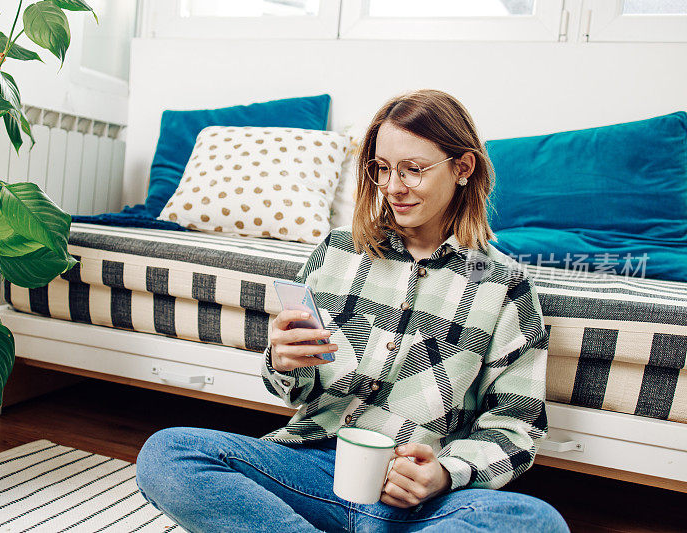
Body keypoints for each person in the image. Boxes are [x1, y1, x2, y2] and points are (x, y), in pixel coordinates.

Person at [136, 89, 570, 532]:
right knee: (170, 453)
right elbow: (295, 389)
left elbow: (516, 425)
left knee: (535, 521)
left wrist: (443, 474)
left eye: (413, 170)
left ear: (462, 168)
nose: (393, 186)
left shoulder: (503, 283)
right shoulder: (338, 251)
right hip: (314, 470)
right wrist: (284, 362)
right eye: (382, 169)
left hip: (413, 502)